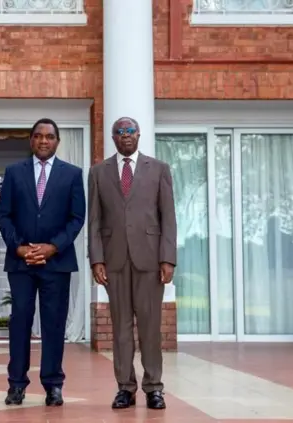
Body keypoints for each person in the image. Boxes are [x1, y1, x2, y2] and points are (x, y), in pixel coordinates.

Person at [87, 117, 176, 410]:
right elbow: (95, 221)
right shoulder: (99, 172)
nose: (125, 136)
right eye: (119, 132)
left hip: (150, 259)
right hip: (113, 260)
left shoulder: (159, 169)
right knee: (121, 328)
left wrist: (167, 258)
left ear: (139, 134)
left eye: (130, 131)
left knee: (150, 327)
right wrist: (96, 259)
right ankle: (125, 387)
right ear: (112, 137)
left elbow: (168, 218)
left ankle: (154, 387)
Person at [0, 118, 86, 407]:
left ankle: (53, 385)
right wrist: (20, 248)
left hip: (56, 263)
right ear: (31, 140)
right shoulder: (13, 172)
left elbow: (77, 218)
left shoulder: (72, 174)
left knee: (53, 325)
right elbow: (4, 215)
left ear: (57, 141)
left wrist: (53, 247)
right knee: (20, 322)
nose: (43, 141)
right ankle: (16, 385)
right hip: (21, 263)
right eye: (38, 136)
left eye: (49, 136)